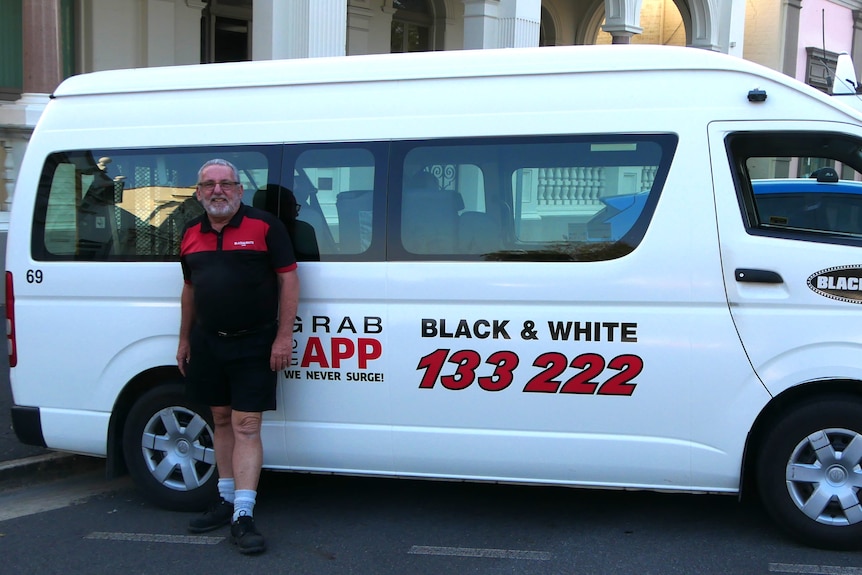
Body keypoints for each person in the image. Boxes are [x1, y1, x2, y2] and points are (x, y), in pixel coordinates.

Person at [176, 159, 299, 554]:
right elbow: (190, 289)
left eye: (225, 184)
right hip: (209, 341)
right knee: (221, 419)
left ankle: (243, 515)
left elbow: (289, 278)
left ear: (239, 190)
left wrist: (283, 337)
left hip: (254, 342)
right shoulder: (190, 233)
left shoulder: (264, 226)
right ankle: (225, 500)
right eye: (208, 185)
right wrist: (184, 340)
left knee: (247, 424)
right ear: (198, 194)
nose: (217, 191)